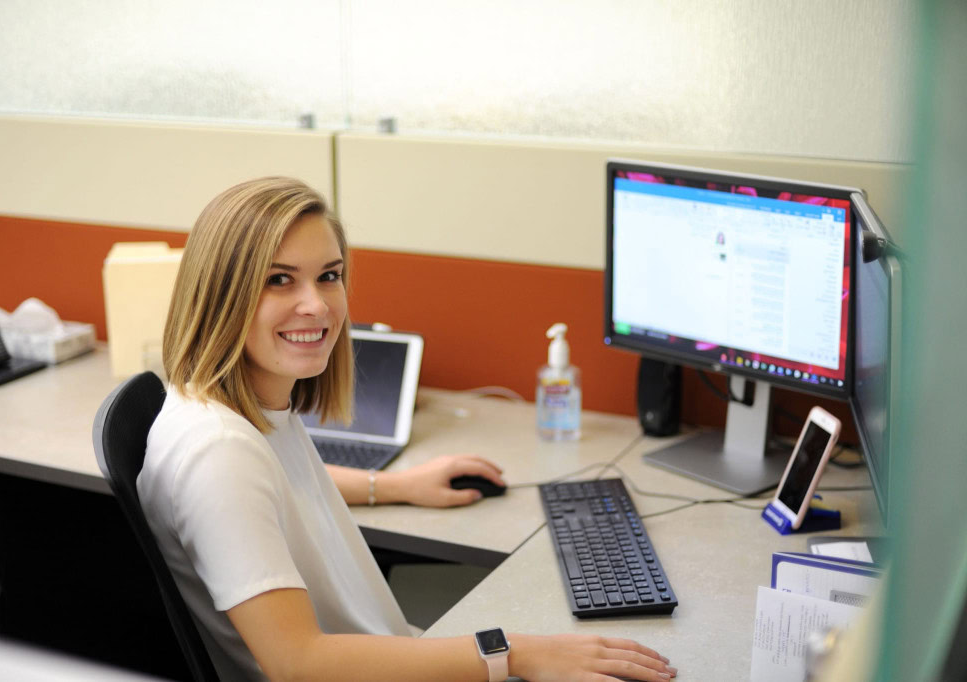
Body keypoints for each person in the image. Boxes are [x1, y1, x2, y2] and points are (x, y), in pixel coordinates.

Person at [138, 177, 678, 682]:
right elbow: (297, 663)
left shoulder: (234, 409)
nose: (317, 304)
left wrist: (396, 485)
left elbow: (273, 490)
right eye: (279, 280)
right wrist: (515, 651)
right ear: (220, 292)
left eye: (329, 275)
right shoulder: (219, 453)